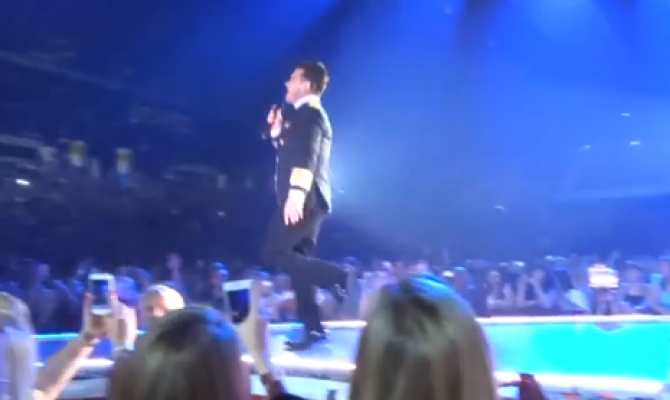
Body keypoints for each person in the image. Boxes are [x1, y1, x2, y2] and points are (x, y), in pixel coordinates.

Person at [261, 61, 348, 351]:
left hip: (306, 197)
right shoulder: (303, 117)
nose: (287, 83)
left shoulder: (309, 114)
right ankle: (313, 328)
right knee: (299, 266)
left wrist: (296, 194)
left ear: (306, 85)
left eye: (293, 78)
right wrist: (277, 134)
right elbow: (293, 153)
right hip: (311, 197)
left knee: (274, 251)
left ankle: (337, 276)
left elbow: (307, 156)